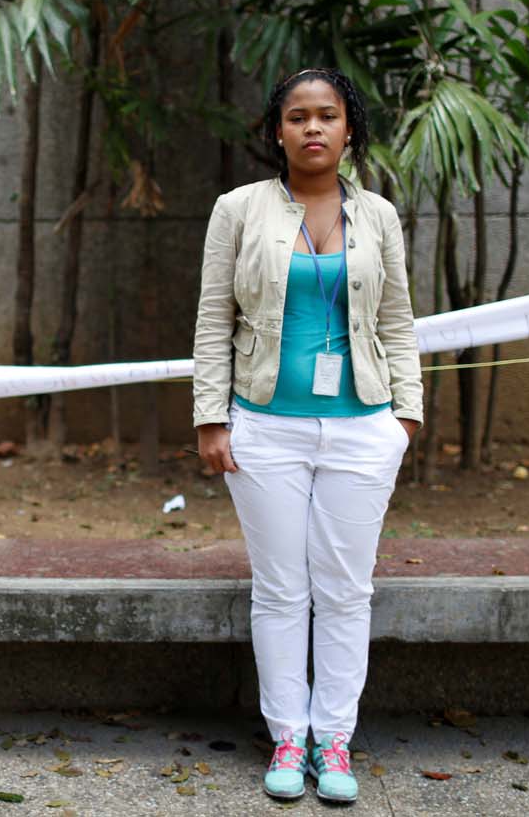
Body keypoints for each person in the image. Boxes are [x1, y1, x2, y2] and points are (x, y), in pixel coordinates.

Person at [192, 68, 422, 803]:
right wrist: (210, 415)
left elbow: (397, 321)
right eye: (298, 117)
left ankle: (336, 741)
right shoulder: (238, 209)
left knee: (347, 590)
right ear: (278, 130)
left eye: (328, 116)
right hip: (263, 426)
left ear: (349, 127)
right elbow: (212, 318)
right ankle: (287, 735)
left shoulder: (379, 214)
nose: (313, 128)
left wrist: (404, 419)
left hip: (362, 426)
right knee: (282, 588)